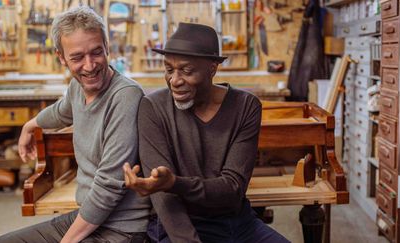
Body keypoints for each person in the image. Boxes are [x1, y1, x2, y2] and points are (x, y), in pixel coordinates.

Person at [0, 6, 151, 243]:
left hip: (122, 228)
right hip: (87, 216)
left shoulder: (126, 96)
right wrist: (29, 126)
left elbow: (109, 187)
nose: (89, 66)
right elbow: (60, 112)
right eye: (77, 57)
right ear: (61, 57)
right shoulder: (78, 88)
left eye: (96, 52)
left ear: (107, 47)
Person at [123, 22, 289, 243]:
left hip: (238, 223)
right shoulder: (153, 108)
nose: (175, 80)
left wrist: (175, 183)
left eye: (187, 71)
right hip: (180, 226)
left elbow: (232, 188)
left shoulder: (245, 106)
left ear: (212, 68)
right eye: (169, 69)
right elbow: (163, 197)